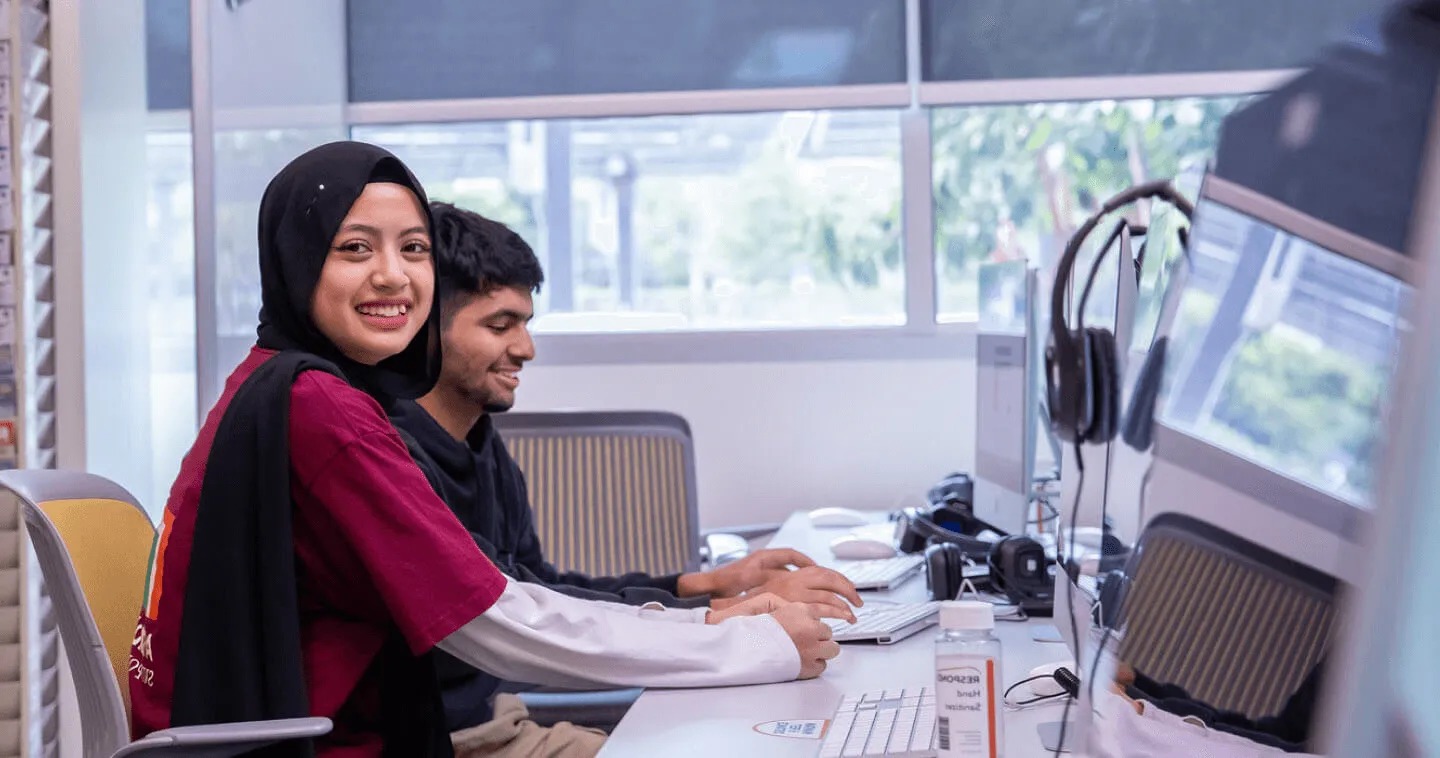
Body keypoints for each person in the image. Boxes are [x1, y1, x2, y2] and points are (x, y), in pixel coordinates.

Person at [128, 141, 839, 757]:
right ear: (297, 259)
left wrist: (706, 613)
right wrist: (740, 643)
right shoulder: (325, 411)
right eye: (354, 248)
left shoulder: (280, 383)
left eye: (413, 249)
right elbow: (491, 619)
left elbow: (515, 593)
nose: (392, 274)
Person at [388, 202, 864, 738]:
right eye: (500, 325)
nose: (526, 349)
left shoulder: (478, 440)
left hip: (495, 715)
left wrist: (707, 586)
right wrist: (724, 621)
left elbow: (541, 590)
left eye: (525, 323)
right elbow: (524, 621)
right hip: (449, 736)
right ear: (424, 328)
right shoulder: (395, 462)